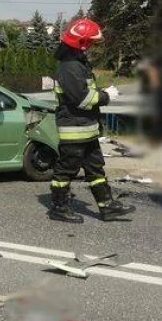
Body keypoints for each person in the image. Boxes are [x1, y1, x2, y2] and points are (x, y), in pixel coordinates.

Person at [48, 18, 135, 223]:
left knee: (95, 168)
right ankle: (59, 207)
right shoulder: (70, 67)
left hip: (86, 129)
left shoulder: (78, 63)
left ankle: (107, 207)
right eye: (92, 43)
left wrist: (102, 94)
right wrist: (106, 96)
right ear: (82, 43)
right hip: (74, 130)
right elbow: (83, 99)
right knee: (66, 170)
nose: (93, 47)